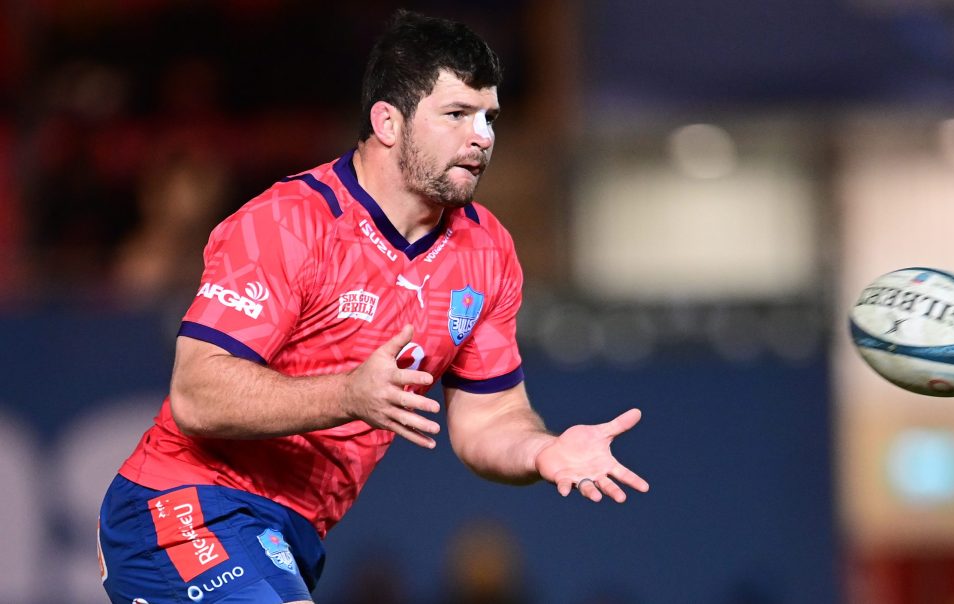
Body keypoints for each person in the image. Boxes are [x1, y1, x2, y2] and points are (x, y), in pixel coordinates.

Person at [97, 10, 649, 604]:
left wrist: (544, 449)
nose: (483, 136)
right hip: (181, 506)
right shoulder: (288, 223)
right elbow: (197, 394)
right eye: (458, 114)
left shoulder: (487, 251)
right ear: (388, 121)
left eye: (490, 117)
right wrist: (348, 395)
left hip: (288, 535)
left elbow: (488, 421)